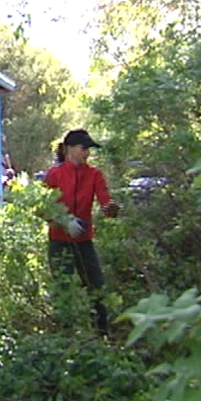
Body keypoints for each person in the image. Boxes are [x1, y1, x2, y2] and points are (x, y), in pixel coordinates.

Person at [43, 129, 121, 336]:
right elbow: (41, 208)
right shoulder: (55, 175)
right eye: (83, 148)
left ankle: (102, 333)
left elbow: (105, 200)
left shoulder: (95, 174)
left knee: (96, 285)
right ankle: (65, 336)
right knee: (63, 288)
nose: (87, 153)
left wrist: (110, 209)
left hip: (84, 241)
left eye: (89, 150)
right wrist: (62, 220)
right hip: (59, 241)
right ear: (69, 149)